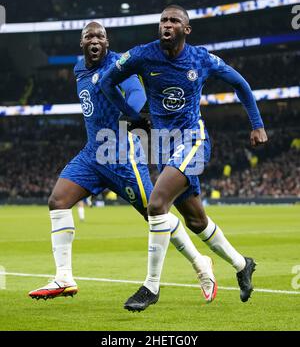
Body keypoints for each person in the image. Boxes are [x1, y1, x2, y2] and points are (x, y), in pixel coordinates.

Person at [28, 21, 217, 304]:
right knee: (57, 201)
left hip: (121, 156)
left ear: (107, 42)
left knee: (155, 214)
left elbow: (138, 96)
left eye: (100, 36)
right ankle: (64, 277)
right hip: (92, 155)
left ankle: (201, 263)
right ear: (82, 43)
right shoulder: (79, 69)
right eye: (89, 36)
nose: (95, 40)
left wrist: (128, 116)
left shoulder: (120, 66)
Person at [101, 5, 268, 311]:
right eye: (163, 20)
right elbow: (106, 82)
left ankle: (151, 286)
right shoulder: (142, 55)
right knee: (195, 220)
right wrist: (132, 116)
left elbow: (240, 83)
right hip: (164, 146)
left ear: (185, 30)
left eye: (174, 21)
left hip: (193, 140)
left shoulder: (201, 58)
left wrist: (256, 124)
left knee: (156, 204)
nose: (166, 24)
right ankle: (242, 263)